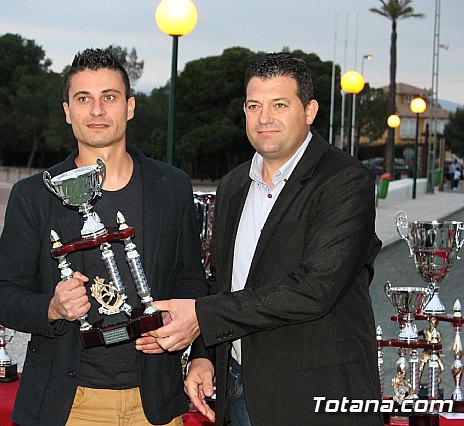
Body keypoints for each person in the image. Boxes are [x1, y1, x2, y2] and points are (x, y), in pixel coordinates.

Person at [151, 53, 383, 425]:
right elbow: (223, 281)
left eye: (279, 105)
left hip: (315, 396)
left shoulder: (345, 181)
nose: (264, 119)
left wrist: (200, 316)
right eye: (254, 105)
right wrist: (204, 353)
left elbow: (313, 290)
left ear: (309, 111)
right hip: (238, 391)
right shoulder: (233, 185)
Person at [0, 48, 208, 425]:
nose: (97, 110)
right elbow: (3, 296)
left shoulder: (171, 186)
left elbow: (192, 280)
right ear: (67, 111)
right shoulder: (34, 195)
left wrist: (202, 352)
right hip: (70, 404)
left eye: (109, 97)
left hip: (154, 402)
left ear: (130, 106)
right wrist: (52, 308)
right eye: (83, 99)